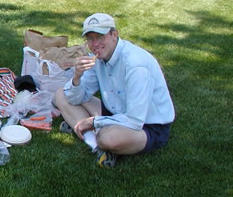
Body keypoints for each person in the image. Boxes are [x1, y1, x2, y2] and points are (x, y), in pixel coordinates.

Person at [53, 13, 175, 168]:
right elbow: (75, 98)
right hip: (115, 111)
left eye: (100, 36)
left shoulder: (136, 65)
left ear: (114, 34)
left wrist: (94, 121)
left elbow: (135, 119)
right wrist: (77, 77)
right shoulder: (97, 58)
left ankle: (92, 134)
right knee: (61, 94)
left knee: (109, 138)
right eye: (90, 38)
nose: (95, 43)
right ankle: (95, 143)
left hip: (146, 125)